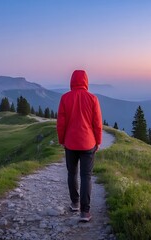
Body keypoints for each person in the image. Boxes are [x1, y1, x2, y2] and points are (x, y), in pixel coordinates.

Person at [57, 70, 102, 222]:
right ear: (86, 81)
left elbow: (61, 123)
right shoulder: (93, 98)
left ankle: (75, 203)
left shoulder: (65, 98)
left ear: (72, 81)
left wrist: (62, 140)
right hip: (88, 143)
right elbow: (97, 124)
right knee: (86, 176)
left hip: (70, 143)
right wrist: (98, 141)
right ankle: (85, 212)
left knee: (71, 173)